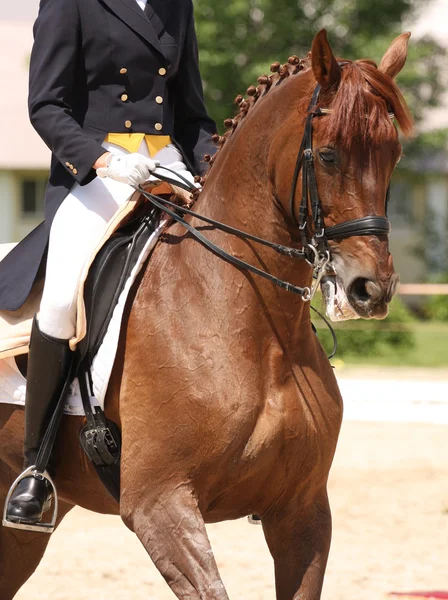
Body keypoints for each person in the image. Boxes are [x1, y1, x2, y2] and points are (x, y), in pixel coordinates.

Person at [2, 0, 217, 528]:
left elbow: (192, 113)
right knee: (58, 299)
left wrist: (217, 171)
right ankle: (37, 468)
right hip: (103, 171)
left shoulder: (175, 4)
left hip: (169, 167)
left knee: (239, 257)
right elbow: (46, 105)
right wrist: (103, 159)